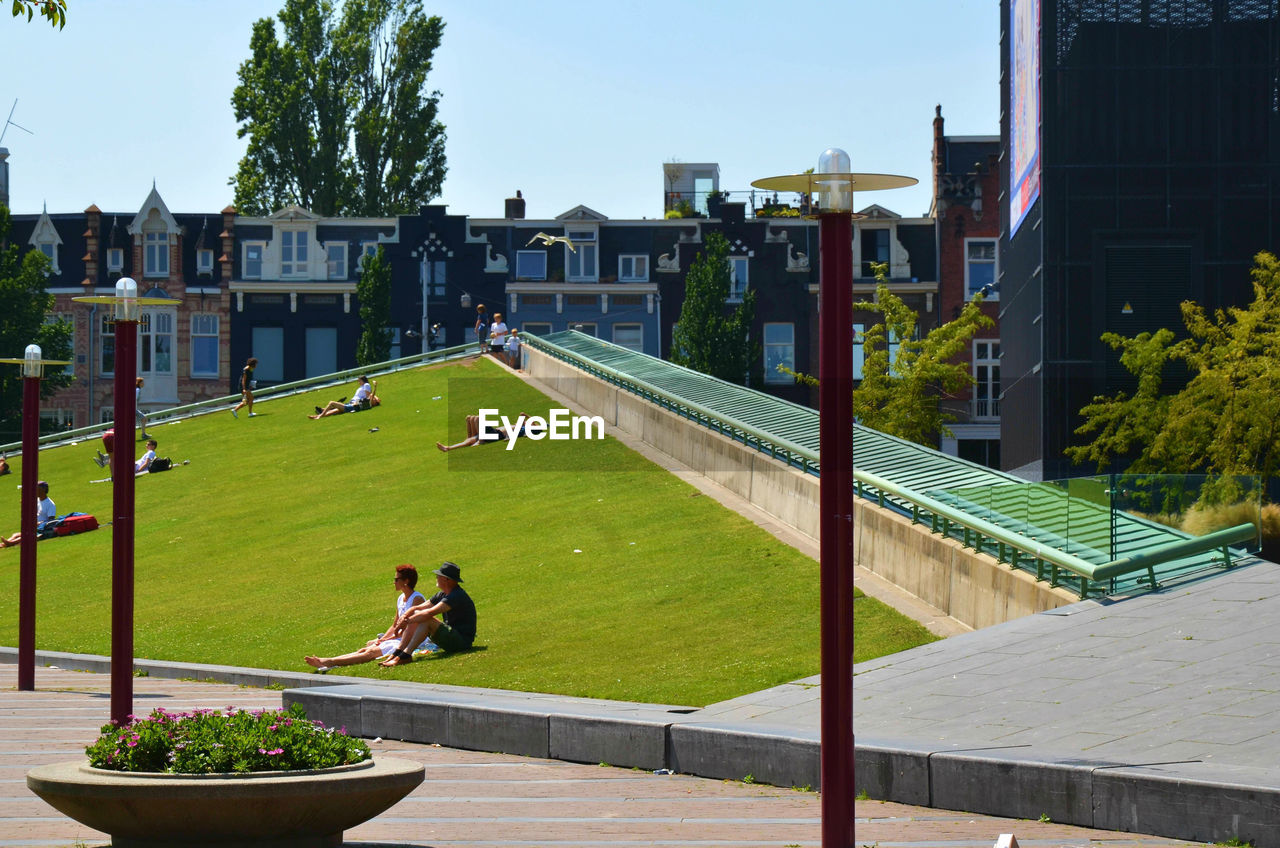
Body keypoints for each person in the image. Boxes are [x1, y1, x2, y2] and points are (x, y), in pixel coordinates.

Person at [303, 564, 427, 673]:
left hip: (412, 640)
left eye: (396, 579)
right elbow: (395, 624)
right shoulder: (401, 598)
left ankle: (329, 662)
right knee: (367, 647)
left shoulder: (417, 599)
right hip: (400, 637)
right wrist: (383, 639)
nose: (393, 582)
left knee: (370, 652)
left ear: (406, 581)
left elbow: (411, 629)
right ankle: (328, 661)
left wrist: (387, 639)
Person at [380, 561, 476, 666]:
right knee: (418, 613)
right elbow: (417, 608)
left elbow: (429, 612)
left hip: (461, 642)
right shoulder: (442, 594)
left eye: (438, 576)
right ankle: (398, 652)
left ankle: (405, 655)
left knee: (426, 618)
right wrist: (404, 617)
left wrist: (407, 621)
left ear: (446, 579)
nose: (436, 578)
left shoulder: (456, 595)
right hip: (452, 637)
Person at [436, 412, 530, 452]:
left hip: (496, 435)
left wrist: (529, 420)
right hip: (494, 432)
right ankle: (448, 448)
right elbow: (522, 414)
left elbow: (523, 415)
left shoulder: (521, 429)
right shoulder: (518, 426)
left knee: (477, 418)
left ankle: (481, 441)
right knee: (470, 418)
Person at [0, 481, 54, 548]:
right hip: (34, 528)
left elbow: (52, 521)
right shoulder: (37, 500)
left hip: (42, 529)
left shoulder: (50, 504)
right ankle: (5, 543)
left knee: (24, 536)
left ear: (43, 490)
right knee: (16, 535)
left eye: (36, 489)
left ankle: (9, 543)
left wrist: (40, 523)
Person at [310, 376, 380, 419]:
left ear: (363, 380)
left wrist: (375, 386)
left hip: (353, 405)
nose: (358, 382)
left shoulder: (366, 385)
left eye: (359, 380)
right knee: (334, 411)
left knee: (332, 403)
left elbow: (369, 396)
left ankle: (320, 415)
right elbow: (371, 396)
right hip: (352, 404)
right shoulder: (364, 388)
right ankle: (318, 415)